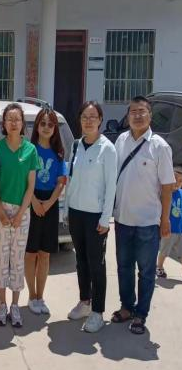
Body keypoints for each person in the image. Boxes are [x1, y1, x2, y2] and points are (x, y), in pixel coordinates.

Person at [111, 95, 175, 335]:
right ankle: (127, 307)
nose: (137, 116)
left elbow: (167, 187)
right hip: (123, 219)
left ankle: (141, 314)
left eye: (142, 111)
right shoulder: (120, 141)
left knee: (146, 272)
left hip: (148, 223)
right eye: (133, 112)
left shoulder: (160, 147)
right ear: (128, 116)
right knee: (124, 267)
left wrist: (165, 219)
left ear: (150, 115)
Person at [65, 101, 117, 333]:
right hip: (76, 213)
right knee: (81, 261)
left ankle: (97, 311)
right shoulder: (76, 145)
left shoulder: (108, 149)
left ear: (100, 120)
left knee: (97, 263)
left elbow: (111, 186)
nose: (88, 121)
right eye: (84, 117)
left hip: (96, 216)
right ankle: (84, 302)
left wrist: (105, 218)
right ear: (80, 120)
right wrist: (67, 210)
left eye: (93, 117)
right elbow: (71, 179)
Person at [0, 103, 38, 328]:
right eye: (9, 119)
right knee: (1, 259)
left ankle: (15, 305)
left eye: (17, 119)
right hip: (0, 210)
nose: (13, 123)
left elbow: (31, 186)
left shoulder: (30, 150)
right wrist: (0, 212)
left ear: (22, 123)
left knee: (17, 260)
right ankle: (2, 304)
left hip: (22, 212)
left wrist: (21, 213)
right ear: (4, 123)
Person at [25, 109, 67, 315]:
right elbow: (25, 180)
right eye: (43, 123)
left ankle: (40, 296)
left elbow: (61, 182)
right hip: (31, 201)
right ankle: (31, 295)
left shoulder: (59, 153)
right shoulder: (29, 150)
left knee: (44, 254)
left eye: (51, 124)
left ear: (55, 128)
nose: (46, 127)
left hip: (50, 204)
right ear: (37, 126)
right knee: (30, 253)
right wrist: (34, 201)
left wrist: (49, 204)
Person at [156, 165, 182, 278]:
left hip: (180, 230)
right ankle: (159, 267)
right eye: (175, 179)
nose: (177, 183)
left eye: (180, 181)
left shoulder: (181, 193)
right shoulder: (165, 193)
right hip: (169, 229)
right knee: (164, 251)